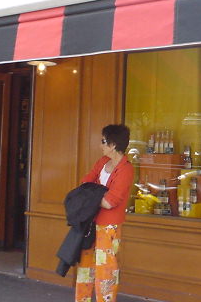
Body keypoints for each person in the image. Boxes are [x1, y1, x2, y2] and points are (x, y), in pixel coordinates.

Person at [75, 124, 134, 302]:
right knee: (85, 267)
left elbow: (110, 202)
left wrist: (92, 196)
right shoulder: (102, 162)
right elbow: (85, 183)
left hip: (109, 225)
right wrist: (97, 196)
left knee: (106, 269)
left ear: (113, 144)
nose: (100, 145)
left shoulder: (126, 169)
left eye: (103, 141)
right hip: (91, 222)